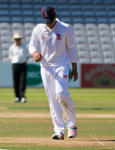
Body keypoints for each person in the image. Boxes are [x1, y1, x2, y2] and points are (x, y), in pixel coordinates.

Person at [29, 6, 78, 140]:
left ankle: (72, 126)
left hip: (61, 66)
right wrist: (35, 53)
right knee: (52, 100)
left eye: (50, 20)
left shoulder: (66, 28)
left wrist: (74, 68)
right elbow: (31, 45)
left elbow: (72, 49)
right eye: (46, 20)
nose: (49, 23)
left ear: (55, 15)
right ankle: (59, 130)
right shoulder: (38, 29)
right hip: (45, 67)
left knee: (61, 94)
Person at [9, 33, 29, 103]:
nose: (17, 40)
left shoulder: (24, 47)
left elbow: (27, 56)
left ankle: (22, 96)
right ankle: (17, 97)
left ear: (20, 39)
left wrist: (24, 62)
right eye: (16, 39)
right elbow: (10, 56)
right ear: (14, 40)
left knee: (22, 81)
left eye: (19, 39)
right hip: (15, 65)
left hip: (23, 65)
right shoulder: (12, 47)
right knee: (15, 81)